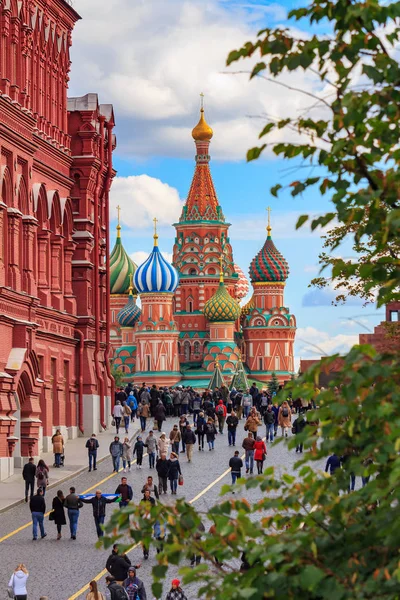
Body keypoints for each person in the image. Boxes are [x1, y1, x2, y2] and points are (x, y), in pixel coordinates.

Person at [140, 489, 156, 559]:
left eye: (148, 493)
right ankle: (144, 552)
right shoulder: (142, 501)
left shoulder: (152, 500)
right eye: (146, 493)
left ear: (149, 494)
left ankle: (147, 552)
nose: (147, 494)